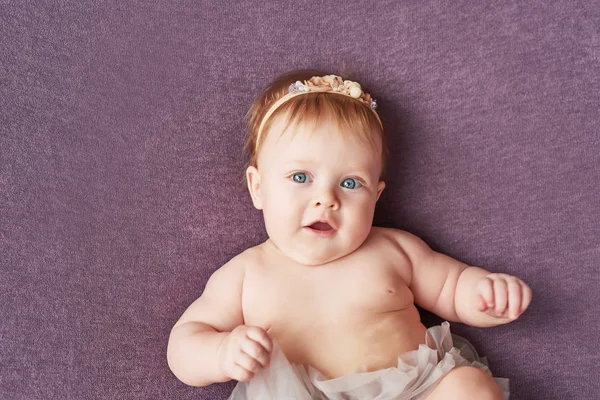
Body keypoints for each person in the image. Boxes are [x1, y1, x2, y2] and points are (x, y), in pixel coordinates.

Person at [166, 69, 532, 399]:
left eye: (350, 182)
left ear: (376, 195)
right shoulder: (246, 274)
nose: (326, 199)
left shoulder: (394, 250)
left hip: (412, 391)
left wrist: (486, 294)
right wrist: (221, 353)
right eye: (300, 177)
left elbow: (452, 287)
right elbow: (184, 344)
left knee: (469, 387)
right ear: (258, 187)